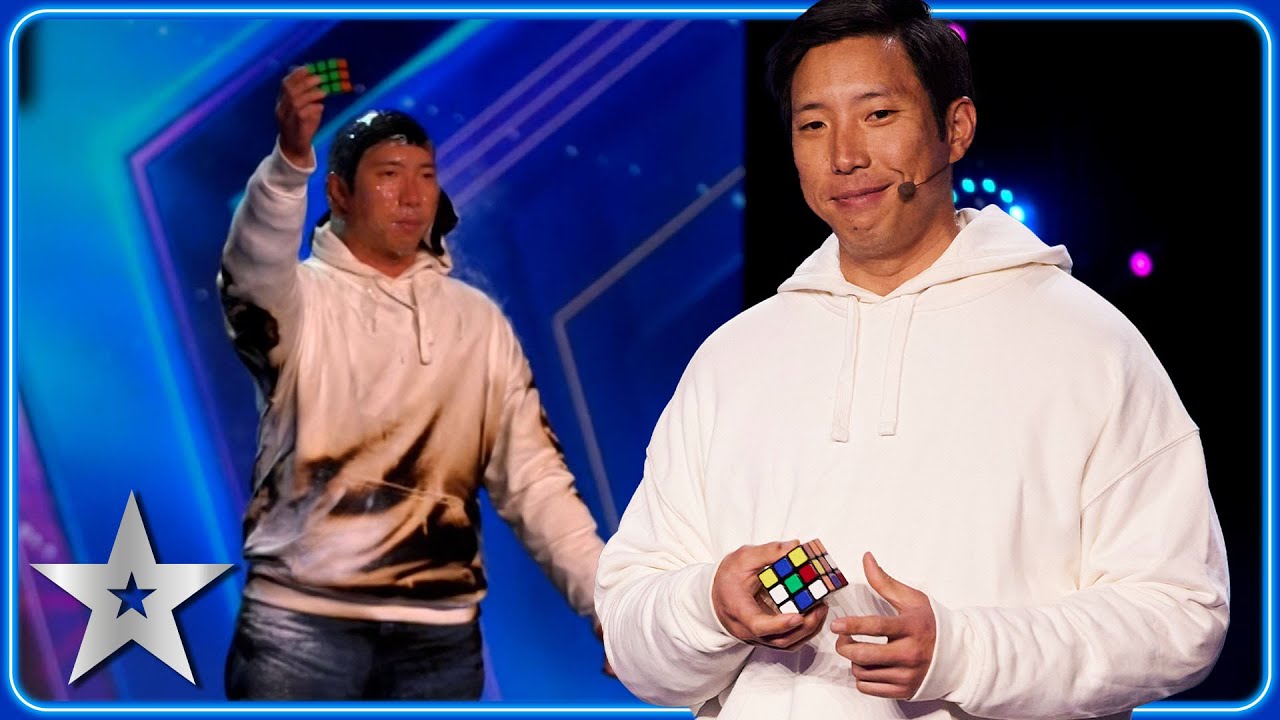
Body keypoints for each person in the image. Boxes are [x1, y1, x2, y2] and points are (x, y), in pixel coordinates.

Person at [594, 0, 1230, 717]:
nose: (844, 156)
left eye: (877, 115)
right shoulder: (733, 357)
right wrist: (709, 606)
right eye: (812, 125)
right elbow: (629, 625)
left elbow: (1181, 615)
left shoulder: (1089, 344)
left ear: (955, 128)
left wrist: (965, 652)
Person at [218, 65, 607, 700]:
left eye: (426, 175)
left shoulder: (477, 322)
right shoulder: (300, 302)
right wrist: (289, 164)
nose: (412, 195)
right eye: (388, 175)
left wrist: (606, 605)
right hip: (300, 629)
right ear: (339, 192)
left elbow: (535, 481)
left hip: (439, 640)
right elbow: (252, 268)